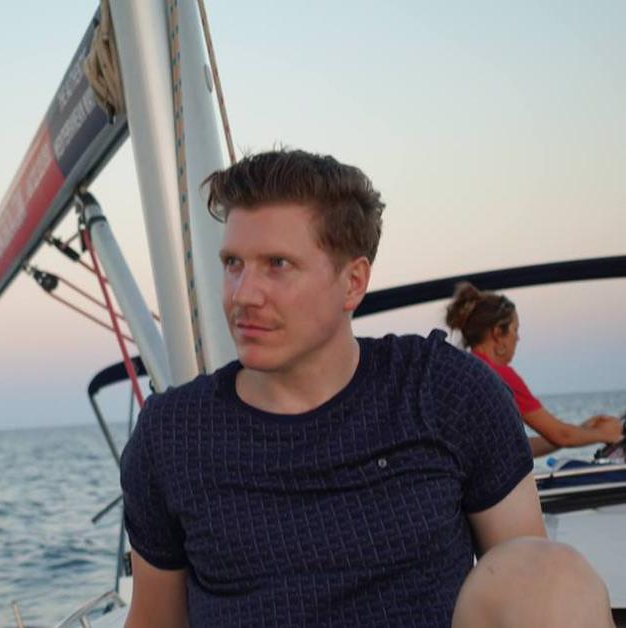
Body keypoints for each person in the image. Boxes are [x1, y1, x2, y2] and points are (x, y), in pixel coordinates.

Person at [119, 149, 613, 627]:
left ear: (353, 282)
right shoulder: (173, 436)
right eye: (233, 263)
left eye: (277, 264)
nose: (243, 294)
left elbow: (528, 589)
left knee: (551, 574)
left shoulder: (444, 392)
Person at [445, 282, 622, 458]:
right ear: (498, 333)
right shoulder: (498, 376)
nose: (518, 338)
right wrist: (606, 434)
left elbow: (517, 449)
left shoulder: (462, 370)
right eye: (515, 330)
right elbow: (562, 436)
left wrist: (582, 431)